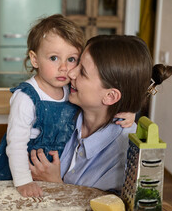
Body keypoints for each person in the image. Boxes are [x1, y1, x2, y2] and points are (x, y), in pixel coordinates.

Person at [0, 15, 134, 197]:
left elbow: (104, 101)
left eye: (72, 59)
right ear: (34, 60)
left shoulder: (71, 90)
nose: (64, 68)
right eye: (54, 58)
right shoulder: (26, 98)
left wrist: (129, 113)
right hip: (19, 174)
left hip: (50, 177)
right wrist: (24, 181)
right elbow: (16, 145)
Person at [29, 35, 172, 193]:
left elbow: (107, 210)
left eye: (82, 72)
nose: (71, 73)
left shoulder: (126, 154)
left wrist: (56, 185)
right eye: (77, 63)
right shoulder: (63, 108)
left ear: (110, 96)